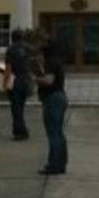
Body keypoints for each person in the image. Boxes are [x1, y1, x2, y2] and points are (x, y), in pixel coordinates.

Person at [37, 41, 68, 175]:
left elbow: (49, 81)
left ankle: (54, 164)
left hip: (52, 99)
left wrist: (35, 78)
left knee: (53, 134)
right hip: (60, 97)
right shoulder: (58, 62)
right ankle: (61, 163)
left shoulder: (50, 63)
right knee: (59, 133)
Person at [2, 29, 34, 140]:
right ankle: (22, 129)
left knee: (16, 108)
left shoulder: (11, 49)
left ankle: (20, 132)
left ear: (12, 37)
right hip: (26, 79)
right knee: (21, 106)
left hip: (14, 80)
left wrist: (5, 83)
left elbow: (8, 68)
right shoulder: (29, 48)